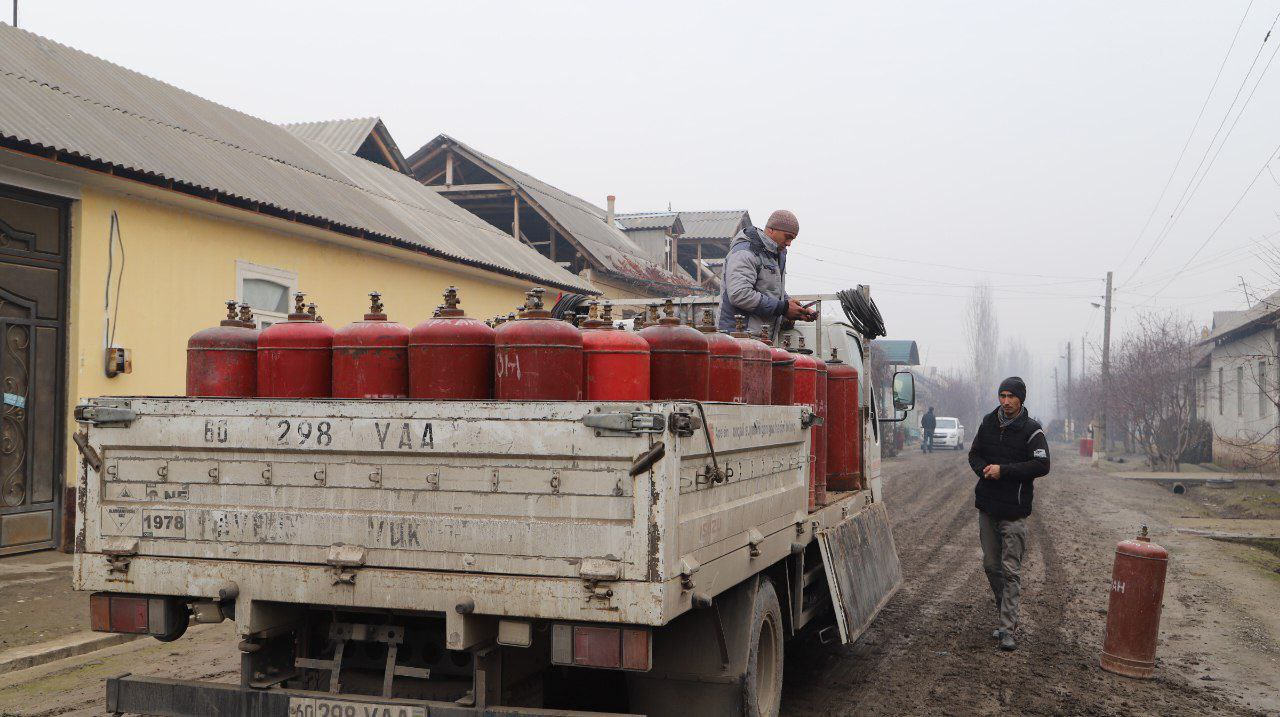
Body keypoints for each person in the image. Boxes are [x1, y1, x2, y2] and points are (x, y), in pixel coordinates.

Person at [967, 377, 1051, 651]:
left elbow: (1042, 464)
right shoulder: (988, 422)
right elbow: (974, 455)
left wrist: (1004, 470)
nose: (1005, 401)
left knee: (1011, 569)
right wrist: (983, 470)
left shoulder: (1032, 430)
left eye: (1011, 396)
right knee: (991, 566)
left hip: (1014, 511)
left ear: (1021, 398)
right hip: (988, 507)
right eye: (1002, 395)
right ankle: (1007, 615)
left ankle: (1006, 628)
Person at [717, 209, 817, 340]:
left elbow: (769, 288)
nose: (789, 243)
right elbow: (739, 294)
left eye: (792, 239)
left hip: (759, 339)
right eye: (787, 237)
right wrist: (784, 307)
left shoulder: (774, 255)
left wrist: (791, 306)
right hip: (737, 338)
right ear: (771, 230)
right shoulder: (745, 252)